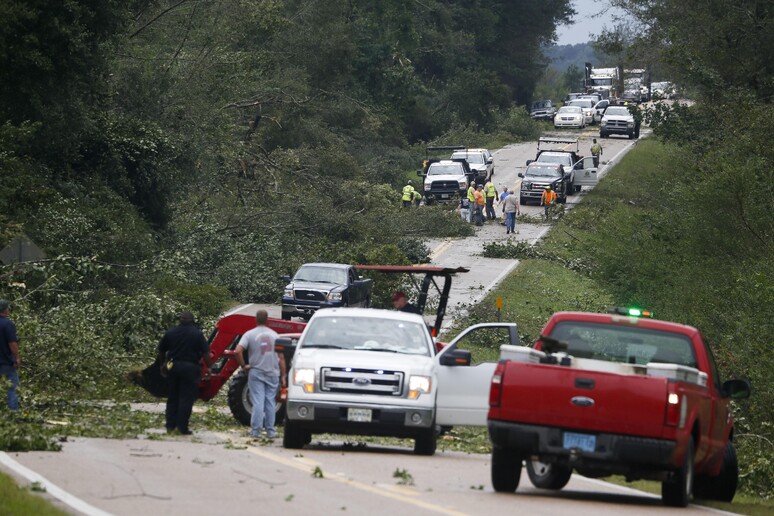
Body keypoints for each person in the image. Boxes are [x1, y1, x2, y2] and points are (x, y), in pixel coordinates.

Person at [158, 311, 213, 435]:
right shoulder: (197, 334)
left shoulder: (171, 332)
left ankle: (170, 426)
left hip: (174, 366)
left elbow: (161, 351)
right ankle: (182, 427)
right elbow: (205, 353)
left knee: (173, 396)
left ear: (180, 319)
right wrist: (209, 367)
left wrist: (162, 365)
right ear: (192, 320)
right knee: (186, 398)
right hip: (190, 368)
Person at [235, 310, 287, 439]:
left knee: (258, 401)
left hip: (256, 372)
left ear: (256, 319)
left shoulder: (249, 334)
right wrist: (283, 376)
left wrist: (243, 366)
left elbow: (238, 351)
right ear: (267, 320)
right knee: (270, 401)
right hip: (273, 373)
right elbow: (281, 357)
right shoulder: (275, 336)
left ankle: (256, 431)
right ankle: (271, 431)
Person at [0, 300, 20, 411]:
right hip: (6, 362)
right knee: (12, 387)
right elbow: (12, 343)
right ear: (5, 310)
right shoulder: (7, 324)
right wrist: (16, 357)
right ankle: (13, 412)